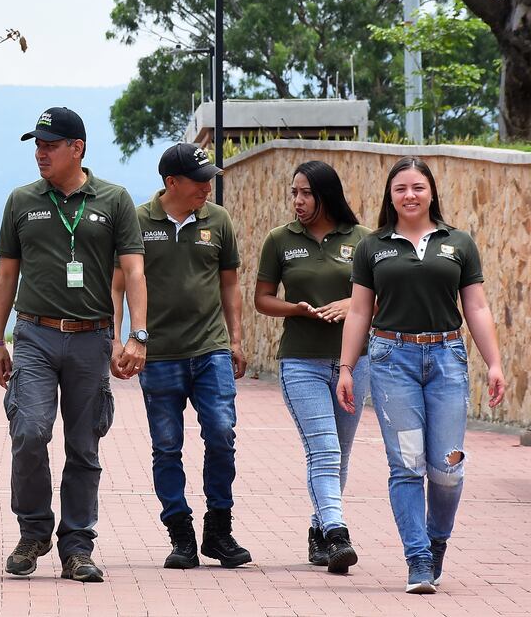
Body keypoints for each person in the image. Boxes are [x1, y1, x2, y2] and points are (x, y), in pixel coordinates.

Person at [0, 107, 147, 583]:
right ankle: (34, 530)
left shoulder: (115, 200)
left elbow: (135, 270)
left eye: (50, 144)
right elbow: (6, 274)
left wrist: (137, 335)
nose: (40, 152)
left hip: (91, 337)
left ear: (76, 148)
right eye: (36, 144)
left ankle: (77, 545)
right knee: (30, 431)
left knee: (84, 446)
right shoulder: (21, 200)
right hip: (34, 334)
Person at [337, 156, 506, 594]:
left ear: (431, 192)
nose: (409, 196)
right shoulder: (373, 246)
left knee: (448, 468)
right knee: (407, 465)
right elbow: (358, 311)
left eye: (417, 187)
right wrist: (347, 368)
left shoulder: (458, 243)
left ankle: (436, 541)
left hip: (447, 358)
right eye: (400, 189)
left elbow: (477, 307)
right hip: (392, 360)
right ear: (389, 197)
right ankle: (417, 558)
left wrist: (494, 363)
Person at [112, 142, 252, 571]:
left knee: (221, 432)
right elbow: (116, 284)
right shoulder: (137, 221)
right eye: (199, 180)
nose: (208, 187)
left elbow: (229, 284)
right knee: (167, 446)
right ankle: (181, 534)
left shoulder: (219, 219)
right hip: (158, 355)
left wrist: (236, 339)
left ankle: (219, 530)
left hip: (210, 349)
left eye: (210, 178)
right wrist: (117, 341)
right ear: (171, 182)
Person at [254, 160, 370, 574]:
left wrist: (350, 305)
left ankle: (319, 531)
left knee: (340, 455)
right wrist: (296, 309)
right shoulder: (280, 240)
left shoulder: (363, 240)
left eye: (305, 193)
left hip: (353, 364)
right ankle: (338, 533)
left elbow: (379, 299)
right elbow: (262, 298)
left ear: (327, 195)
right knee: (323, 449)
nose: (298, 201)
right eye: (294, 193)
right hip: (300, 360)